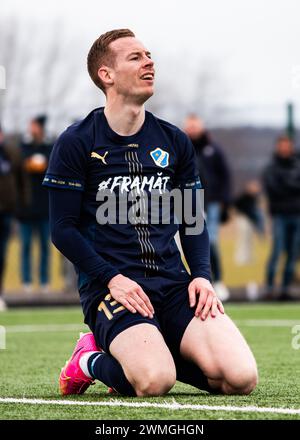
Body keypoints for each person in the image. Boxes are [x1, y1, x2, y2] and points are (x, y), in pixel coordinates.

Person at [43, 29, 258, 397]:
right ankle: (87, 359)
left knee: (240, 379)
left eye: (149, 55)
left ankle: (156, 345)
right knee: (154, 381)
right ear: (106, 75)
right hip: (113, 290)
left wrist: (202, 276)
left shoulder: (174, 140)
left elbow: (192, 220)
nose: (149, 62)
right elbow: (62, 230)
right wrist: (111, 279)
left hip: (173, 285)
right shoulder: (77, 141)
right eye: (135, 57)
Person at [183, 115, 232, 301]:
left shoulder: (214, 150)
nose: (193, 129)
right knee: (186, 244)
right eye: (190, 126)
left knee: (210, 241)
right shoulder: (181, 147)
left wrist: (224, 201)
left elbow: (225, 176)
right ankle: (189, 282)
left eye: (195, 125)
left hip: (210, 202)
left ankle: (216, 281)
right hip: (187, 202)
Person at [263, 135, 300, 301]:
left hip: (297, 215)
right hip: (279, 215)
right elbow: (273, 189)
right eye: (282, 145)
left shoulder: (297, 165)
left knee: (293, 253)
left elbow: (283, 187)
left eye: (288, 145)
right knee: (276, 252)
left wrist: (286, 185)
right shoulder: (271, 168)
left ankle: (285, 288)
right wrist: (291, 187)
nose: (285, 149)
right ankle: (270, 287)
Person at [19, 115, 52, 294]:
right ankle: (26, 281)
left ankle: (45, 281)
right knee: (25, 246)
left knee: (45, 247)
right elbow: (22, 166)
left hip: (45, 208)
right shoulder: (23, 147)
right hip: (26, 209)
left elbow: (47, 166)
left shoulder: (50, 147)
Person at [0, 124, 22, 310]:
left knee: (1, 255)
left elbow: (20, 179)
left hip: (6, 212)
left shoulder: (10, 153)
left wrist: (20, 206)